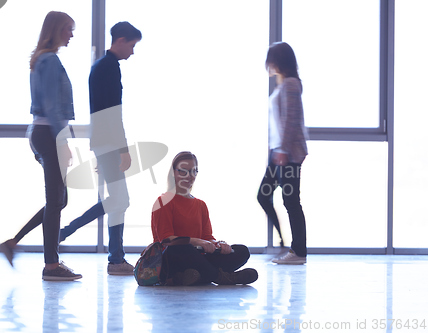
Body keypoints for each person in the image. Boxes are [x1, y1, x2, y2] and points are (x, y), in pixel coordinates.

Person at [0, 11, 81, 281]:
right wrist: (63, 140)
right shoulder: (50, 60)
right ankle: (51, 266)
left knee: (59, 200)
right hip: (48, 133)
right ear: (56, 29)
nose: (71, 34)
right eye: (68, 29)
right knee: (55, 201)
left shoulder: (41, 60)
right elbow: (51, 106)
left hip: (42, 132)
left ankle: (13, 243)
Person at [58, 22, 142, 275]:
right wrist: (123, 149)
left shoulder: (100, 66)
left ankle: (115, 258)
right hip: (108, 142)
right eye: (132, 45)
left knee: (118, 201)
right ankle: (65, 234)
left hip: (103, 142)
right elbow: (112, 112)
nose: (133, 51)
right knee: (119, 199)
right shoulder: (109, 67)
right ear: (120, 40)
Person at [151, 151, 258, 286]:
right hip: (172, 258)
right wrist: (197, 242)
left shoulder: (200, 205)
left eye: (194, 171)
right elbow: (166, 240)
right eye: (184, 171)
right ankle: (221, 277)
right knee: (182, 247)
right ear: (173, 173)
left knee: (241, 251)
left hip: (198, 259)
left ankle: (190, 277)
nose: (190, 176)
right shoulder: (163, 201)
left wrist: (218, 244)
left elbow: (207, 237)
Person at [257, 42, 308, 265]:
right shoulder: (284, 84)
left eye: (272, 59)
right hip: (278, 154)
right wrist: (274, 150)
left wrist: (284, 151)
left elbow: (291, 121)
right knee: (263, 195)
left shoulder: (290, 84)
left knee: (291, 201)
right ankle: (284, 244)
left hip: (287, 155)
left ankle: (298, 252)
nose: (269, 64)